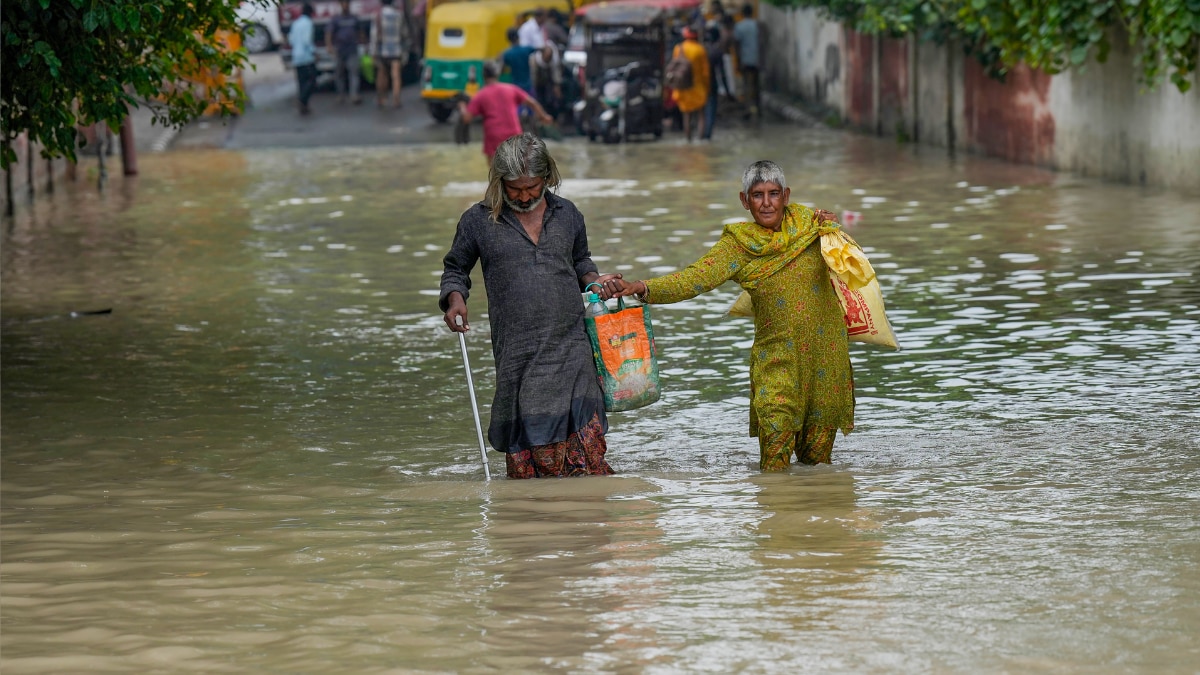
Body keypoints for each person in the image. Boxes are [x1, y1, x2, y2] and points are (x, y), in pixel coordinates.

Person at [608, 161, 855, 471]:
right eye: (758, 195)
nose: (767, 203)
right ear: (744, 200)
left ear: (786, 195)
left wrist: (835, 232)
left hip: (825, 360)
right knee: (774, 464)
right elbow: (693, 279)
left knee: (818, 467)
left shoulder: (813, 226)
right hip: (777, 361)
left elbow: (854, 270)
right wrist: (640, 287)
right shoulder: (738, 246)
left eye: (774, 194)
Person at [440, 133, 625, 479]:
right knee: (530, 460)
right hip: (519, 354)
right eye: (515, 188)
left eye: (533, 187)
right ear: (499, 182)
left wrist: (595, 281)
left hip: (572, 348)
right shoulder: (478, 221)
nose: (524, 196)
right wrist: (455, 299)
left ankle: (589, 527)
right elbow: (455, 269)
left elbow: (581, 260)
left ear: (548, 178)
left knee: (588, 455)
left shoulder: (567, 214)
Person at [458, 62, 553, 160]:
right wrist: (543, 116)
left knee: (496, 172)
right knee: (517, 170)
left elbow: (466, 119)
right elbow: (532, 103)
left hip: (493, 137)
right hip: (514, 135)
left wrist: (462, 106)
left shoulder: (481, 95)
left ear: (483, 76)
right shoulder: (511, 89)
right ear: (497, 74)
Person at [670, 26, 710, 142]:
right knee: (701, 114)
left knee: (686, 115)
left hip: (683, 86)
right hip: (698, 86)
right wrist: (707, 87)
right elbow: (705, 72)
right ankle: (701, 139)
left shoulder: (678, 48)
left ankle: (688, 140)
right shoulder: (700, 50)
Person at [371, 0, 409, 108]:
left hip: (382, 49)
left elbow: (374, 35)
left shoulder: (377, 15)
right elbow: (404, 33)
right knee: (396, 75)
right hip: (396, 49)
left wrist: (373, 52)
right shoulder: (399, 15)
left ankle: (381, 99)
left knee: (382, 74)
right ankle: (396, 99)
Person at [328, 0, 363, 105]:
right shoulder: (336, 19)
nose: (345, 5)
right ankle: (340, 95)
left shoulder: (354, 18)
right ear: (340, 5)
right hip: (340, 49)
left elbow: (360, 31)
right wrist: (329, 46)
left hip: (352, 49)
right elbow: (329, 32)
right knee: (339, 73)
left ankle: (354, 95)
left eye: (347, 3)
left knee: (354, 72)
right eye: (343, 3)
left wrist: (363, 42)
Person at [288, 3, 317, 115]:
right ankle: (302, 99)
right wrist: (313, 52)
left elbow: (291, 40)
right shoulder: (308, 23)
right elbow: (307, 40)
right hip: (306, 57)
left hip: (296, 56)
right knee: (312, 81)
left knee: (301, 82)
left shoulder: (296, 23)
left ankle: (304, 106)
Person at [733, 2, 761, 120]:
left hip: (745, 59)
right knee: (756, 84)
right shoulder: (757, 25)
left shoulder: (739, 26)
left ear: (742, 13)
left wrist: (738, 61)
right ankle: (758, 108)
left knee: (746, 84)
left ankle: (748, 108)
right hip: (757, 58)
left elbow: (737, 45)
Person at [500, 27, 537, 96]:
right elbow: (539, 49)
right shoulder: (527, 50)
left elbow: (502, 70)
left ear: (508, 39)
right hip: (528, 86)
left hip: (516, 88)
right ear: (518, 37)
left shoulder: (507, 54)